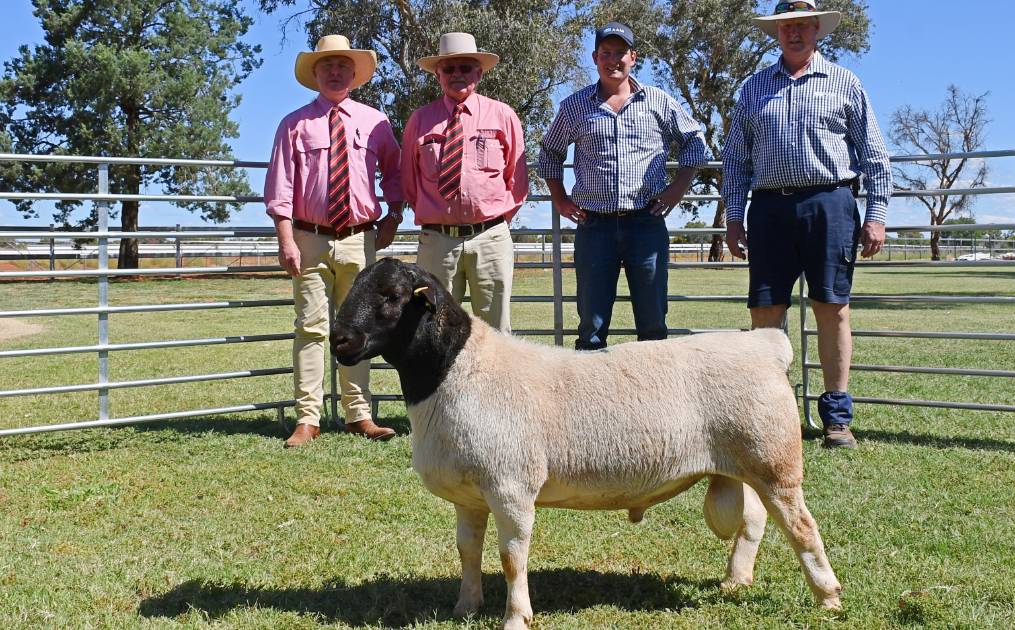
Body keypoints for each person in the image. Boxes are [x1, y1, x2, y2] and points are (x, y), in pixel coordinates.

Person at [721, 1, 892, 449]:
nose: (793, 33)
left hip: (830, 202)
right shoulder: (754, 88)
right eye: (785, 27)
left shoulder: (845, 82)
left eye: (801, 25)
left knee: (832, 308)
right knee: (765, 311)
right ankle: (768, 413)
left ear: (817, 29)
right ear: (776, 33)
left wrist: (875, 214)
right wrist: (734, 216)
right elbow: (737, 159)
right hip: (770, 207)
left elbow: (873, 154)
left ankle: (837, 418)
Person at [265, 35, 402, 447]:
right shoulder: (294, 124)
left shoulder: (375, 122)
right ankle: (307, 418)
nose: (335, 72)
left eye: (343, 65)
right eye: (327, 66)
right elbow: (280, 185)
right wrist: (286, 239)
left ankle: (359, 415)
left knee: (358, 328)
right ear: (315, 74)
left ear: (355, 74)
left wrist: (394, 215)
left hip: (361, 239)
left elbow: (395, 173)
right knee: (310, 328)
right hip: (309, 238)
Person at [539, 22, 708, 350]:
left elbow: (694, 140)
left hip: (646, 223)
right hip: (594, 225)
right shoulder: (574, 107)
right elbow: (550, 152)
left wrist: (678, 188)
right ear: (595, 57)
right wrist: (560, 198)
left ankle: (655, 399)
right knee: (591, 324)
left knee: (653, 322)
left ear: (634, 57)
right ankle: (589, 399)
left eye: (620, 53)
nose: (613, 59)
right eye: (606, 53)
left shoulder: (658, 101)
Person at [401, 32, 528, 333]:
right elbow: (409, 180)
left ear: (479, 73)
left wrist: (494, 223)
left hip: (490, 238)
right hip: (437, 242)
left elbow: (517, 179)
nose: (457, 74)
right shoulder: (419, 120)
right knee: (432, 326)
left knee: (497, 329)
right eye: (449, 69)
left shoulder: (503, 115)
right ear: (438, 74)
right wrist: (436, 220)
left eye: (465, 68)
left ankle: (497, 383)